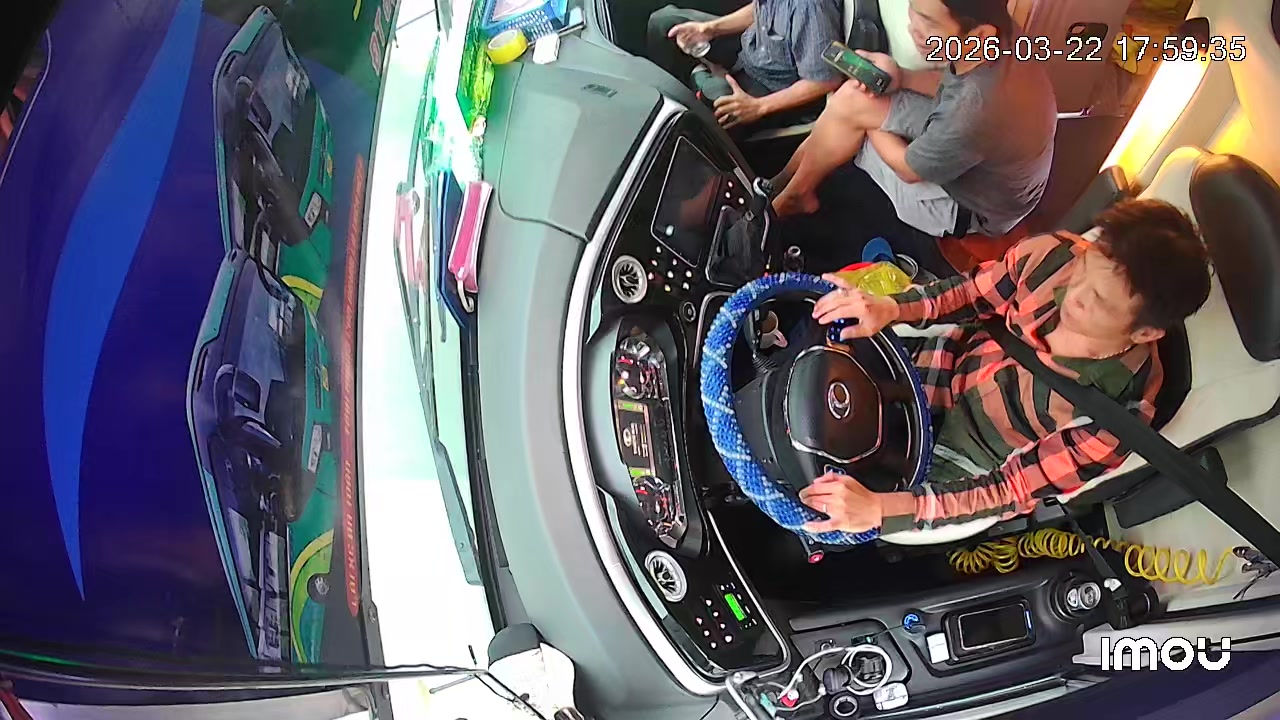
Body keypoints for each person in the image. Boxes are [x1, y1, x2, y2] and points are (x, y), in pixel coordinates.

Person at [796, 199, 1213, 535]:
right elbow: (970, 293)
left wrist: (882, 509)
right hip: (941, 364)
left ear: (1144, 333)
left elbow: (1008, 489)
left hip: (966, 467)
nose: (1075, 294)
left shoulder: (1116, 420)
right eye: (1087, 267)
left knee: (825, 513)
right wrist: (891, 308)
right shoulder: (1055, 255)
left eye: (1100, 301)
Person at [767, 0, 1056, 259]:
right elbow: (952, 83)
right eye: (914, 9)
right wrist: (901, 76)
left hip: (973, 209)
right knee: (852, 102)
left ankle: (792, 194)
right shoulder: (998, 34)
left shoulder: (977, 110)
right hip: (983, 148)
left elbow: (909, 169)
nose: (912, 27)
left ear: (979, 35)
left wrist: (868, 121)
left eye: (928, 21)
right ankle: (785, 184)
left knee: (851, 111)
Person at [646, 0, 844, 131]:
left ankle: (697, 76)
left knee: (717, 101)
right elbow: (759, 9)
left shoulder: (809, 8)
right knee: (662, 21)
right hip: (751, 45)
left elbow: (825, 80)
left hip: (769, 86)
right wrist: (710, 29)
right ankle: (695, 79)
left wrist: (758, 107)